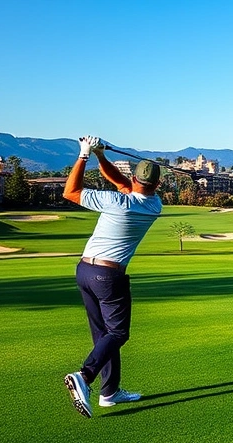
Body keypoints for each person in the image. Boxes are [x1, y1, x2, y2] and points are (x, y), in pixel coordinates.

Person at [62, 135, 163, 418]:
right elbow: (122, 183)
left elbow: (71, 192)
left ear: (133, 178)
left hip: (84, 270)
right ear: (157, 185)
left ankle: (109, 392)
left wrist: (86, 154)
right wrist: (99, 155)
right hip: (108, 276)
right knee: (117, 333)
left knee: (104, 335)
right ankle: (84, 376)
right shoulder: (154, 206)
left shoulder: (113, 201)